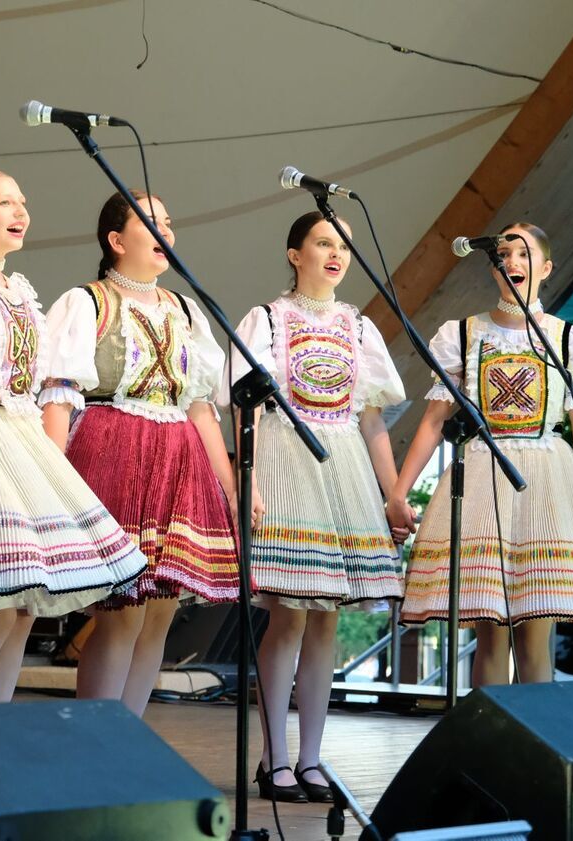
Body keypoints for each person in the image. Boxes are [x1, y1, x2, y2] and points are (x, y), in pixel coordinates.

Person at [0, 171, 148, 704]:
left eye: (22, 201)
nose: (19, 211)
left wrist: (47, 454)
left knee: (21, 612)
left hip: (18, 432)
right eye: (3, 203)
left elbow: (36, 383)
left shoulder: (17, 289)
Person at [389, 222, 573, 687]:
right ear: (493, 266)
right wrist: (399, 493)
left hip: (546, 484)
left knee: (534, 637)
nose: (513, 262)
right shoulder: (462, 334)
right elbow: (432, 421)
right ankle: (487, 752)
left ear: (544, 267)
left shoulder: (566, 339)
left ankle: (534, 756)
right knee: (491, 636)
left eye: (524, 254)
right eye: (504, 253)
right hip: (485, 477)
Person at [221, 211, 406, 803]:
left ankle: (311, 759)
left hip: (343, 466)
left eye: (344, 245)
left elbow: (372, 417)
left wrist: (394, 491)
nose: (337, 253)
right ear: (294, 253)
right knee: (291, 612)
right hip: (283, 465)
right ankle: (275, 756)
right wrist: (245, 483)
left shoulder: (360, 327)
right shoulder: (268, 319)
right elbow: (241, 408)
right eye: (324, 242)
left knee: (329, 615)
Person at [40, 190, 238, 717]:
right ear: (115, 239)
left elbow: (199, 406)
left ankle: (126, 740)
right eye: (151, 222)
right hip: (114, 452)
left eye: (169, 223)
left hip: (178, 459)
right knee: (122, 612)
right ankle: (95, 739)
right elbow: (59, 397)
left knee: (160, 615)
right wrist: (50, 480)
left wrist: (231, 489)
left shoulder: (186, 309)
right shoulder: (88, 302)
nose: (165, 233)